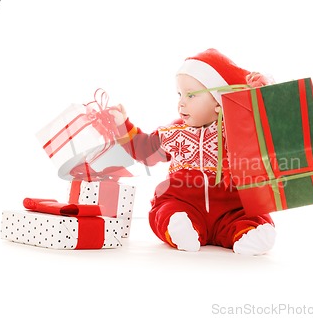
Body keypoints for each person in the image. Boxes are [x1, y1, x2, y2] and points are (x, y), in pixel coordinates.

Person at [109, 48, 276, 255]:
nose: (181, 102)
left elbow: (268, 138)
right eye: (179, 94)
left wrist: (254, 102)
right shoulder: (175, 132)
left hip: (230, 209)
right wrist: (121, 125)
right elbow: (145, 150)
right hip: (184, 203)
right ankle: (180, 228)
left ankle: (251, 234)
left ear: (218, 101)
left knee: (251, 216)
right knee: (165, 210)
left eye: (191, 95)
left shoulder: (237, 131)